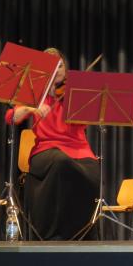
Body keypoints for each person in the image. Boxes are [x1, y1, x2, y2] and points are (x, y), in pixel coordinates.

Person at [6, 48, 100, 240]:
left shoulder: (74, 92)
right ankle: (53, 234)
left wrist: (78, 103)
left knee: (94, 170)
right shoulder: (33, 91)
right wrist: (31, 107)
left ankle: (83, 234)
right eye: (51, 66)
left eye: (60, 65)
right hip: (45, 150)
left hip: (80, 150)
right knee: (61, 162)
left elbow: (83, 123)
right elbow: (11, 118)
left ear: (66, 69)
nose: (57, 69)